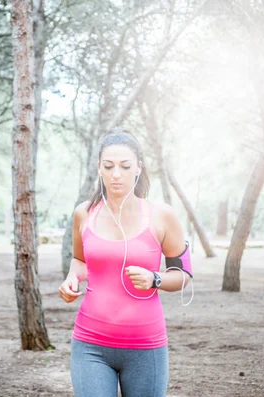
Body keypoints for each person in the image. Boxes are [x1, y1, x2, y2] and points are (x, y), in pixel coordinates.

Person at [58, 131, 193, 397]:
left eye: (125, 166)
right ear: (99, 168)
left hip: (146, 347)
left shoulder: (162, 215)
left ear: (138, 169)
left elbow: (184, 274)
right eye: (108, 166)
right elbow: (80, 261)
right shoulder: (83, 213)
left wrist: (155, 278)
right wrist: (72, 278)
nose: (116, 174)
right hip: (90, 345)